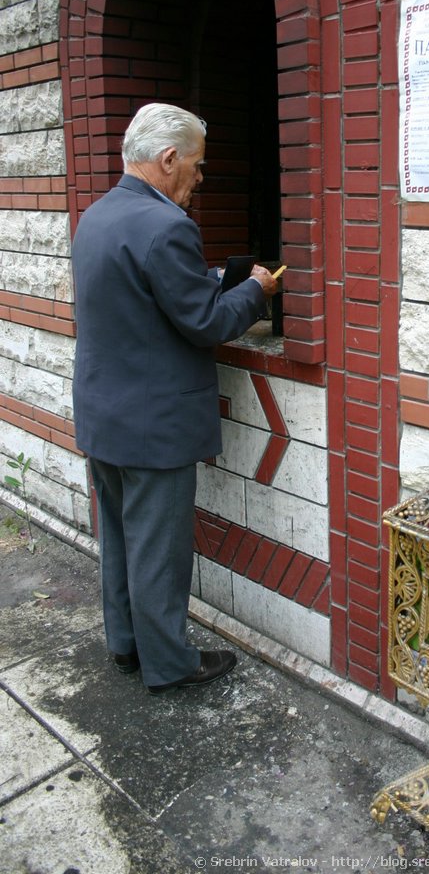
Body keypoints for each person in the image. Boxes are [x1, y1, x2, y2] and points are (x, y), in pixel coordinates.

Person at [71, 103, 278, 694]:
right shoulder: (167, 226)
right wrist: (257, 290)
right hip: (154, 426)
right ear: (168, 159)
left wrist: (207, 278)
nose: (201, 177)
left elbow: (142, 295)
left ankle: (127, 646)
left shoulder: (97, 217)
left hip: (104, 415)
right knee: (159, 550)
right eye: (197, 165)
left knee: (117, 538)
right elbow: (208, 323)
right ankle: (169, 664)